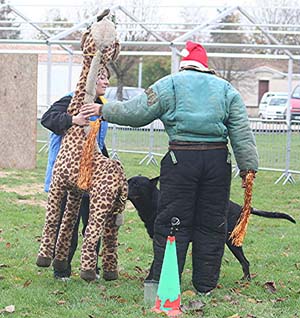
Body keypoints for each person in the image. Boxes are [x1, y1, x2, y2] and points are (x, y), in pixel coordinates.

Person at [81, 41, 259, 294]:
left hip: (181, 161)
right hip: (218, 162)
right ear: (205, 66)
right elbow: (241, 131)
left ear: (184, 64)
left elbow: (137, 112)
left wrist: (103, 109)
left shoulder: (170, 84)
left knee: (172, 223)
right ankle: (205, 287)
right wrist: (248, 168)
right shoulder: (226, 89)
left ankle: (164, 287)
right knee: (211, 224)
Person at [41, 67, 111, 280]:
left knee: (92, 224)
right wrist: (73, 119)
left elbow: (96, 143)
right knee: (65, 224)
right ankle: (61, 269)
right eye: (101, 77)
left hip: (90, 177)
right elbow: (48, 118)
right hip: (66, 178)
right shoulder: (69, 100)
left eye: (107, 77)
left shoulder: (100, 106)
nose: (106, 82)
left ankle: (91, 268)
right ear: (89, 80)